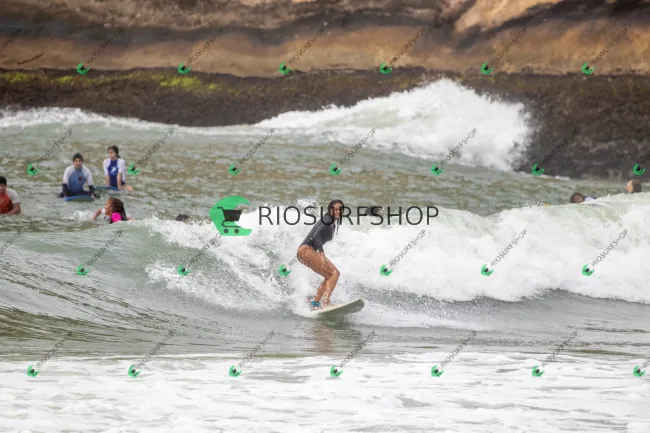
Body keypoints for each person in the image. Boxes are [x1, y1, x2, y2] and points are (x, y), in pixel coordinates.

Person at [296, 200, 344, 309]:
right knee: (335, 273)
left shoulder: (331, 221)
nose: (338, 211)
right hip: (306, 250)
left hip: (304, 252)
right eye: (335, 209)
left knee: (329, 276)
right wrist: (321, 252)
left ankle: (315, 304)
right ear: (330, 210)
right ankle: (326, 303)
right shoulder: (327, 219)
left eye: (340, 209)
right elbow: (316, 236)